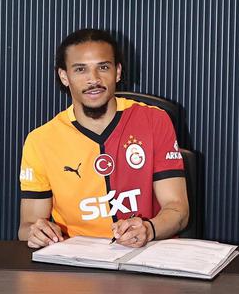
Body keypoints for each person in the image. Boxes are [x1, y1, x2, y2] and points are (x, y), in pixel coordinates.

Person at [18, 29, 189, 248]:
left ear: (117, 72)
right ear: (64, 76)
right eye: (80, 69)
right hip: (76, 260)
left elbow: (178, 210)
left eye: (103, 67)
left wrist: (148, 229)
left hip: (147, 253)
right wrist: (37, 233)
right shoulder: (40, 141)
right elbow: (27, 226)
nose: (94, 79)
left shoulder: (154, 120)